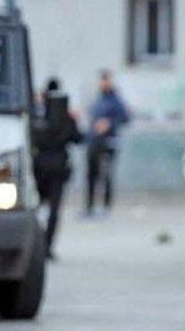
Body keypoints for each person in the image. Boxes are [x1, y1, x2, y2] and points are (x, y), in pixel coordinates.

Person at [31, 78, 83, 259]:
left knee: (34, 208)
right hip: (58, 168)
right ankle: (46, 246)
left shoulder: (37, 117)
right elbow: (78, 138)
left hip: (38, 167)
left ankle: (34, 245)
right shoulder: (66, 118)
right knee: (54, 210)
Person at [84, 70, 130, 216]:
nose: (104, 83)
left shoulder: (115, 100)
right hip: (94, 141)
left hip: (108, 142)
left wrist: (109, 124)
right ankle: (90, 206)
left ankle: (106, 206)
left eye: (106, 80)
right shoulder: (98, 99)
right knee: (92, 174)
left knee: (106, 175)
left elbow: (125, 117)